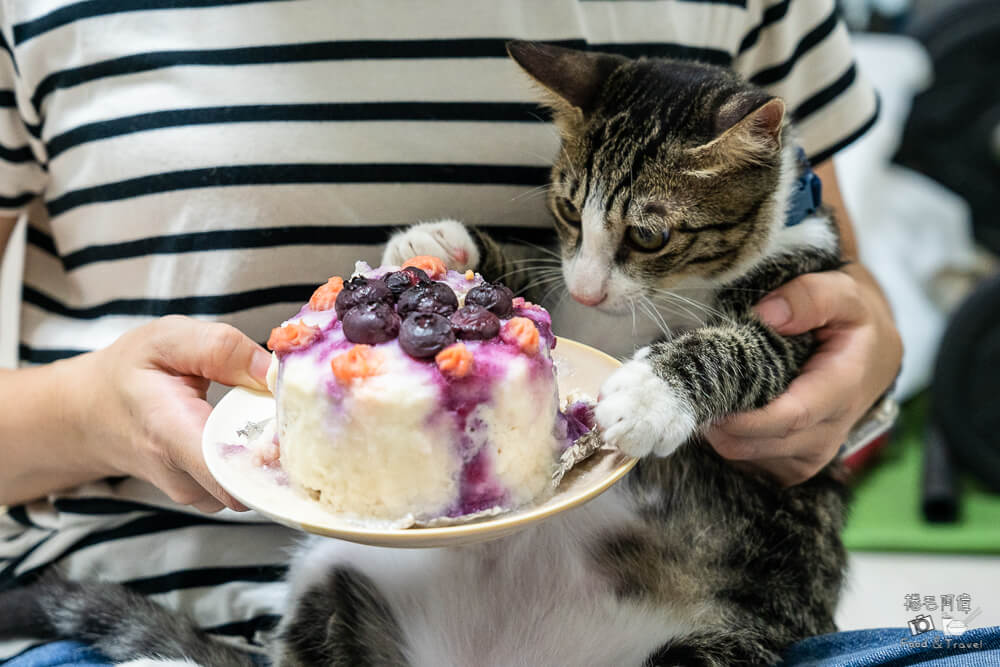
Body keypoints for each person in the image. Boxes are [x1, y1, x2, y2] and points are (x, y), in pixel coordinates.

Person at [0, 1, 905, 663]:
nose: (586, 273)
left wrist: (858, 360)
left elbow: (838, 302)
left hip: (673, 602)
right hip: (317, 618)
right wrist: (87, 411)